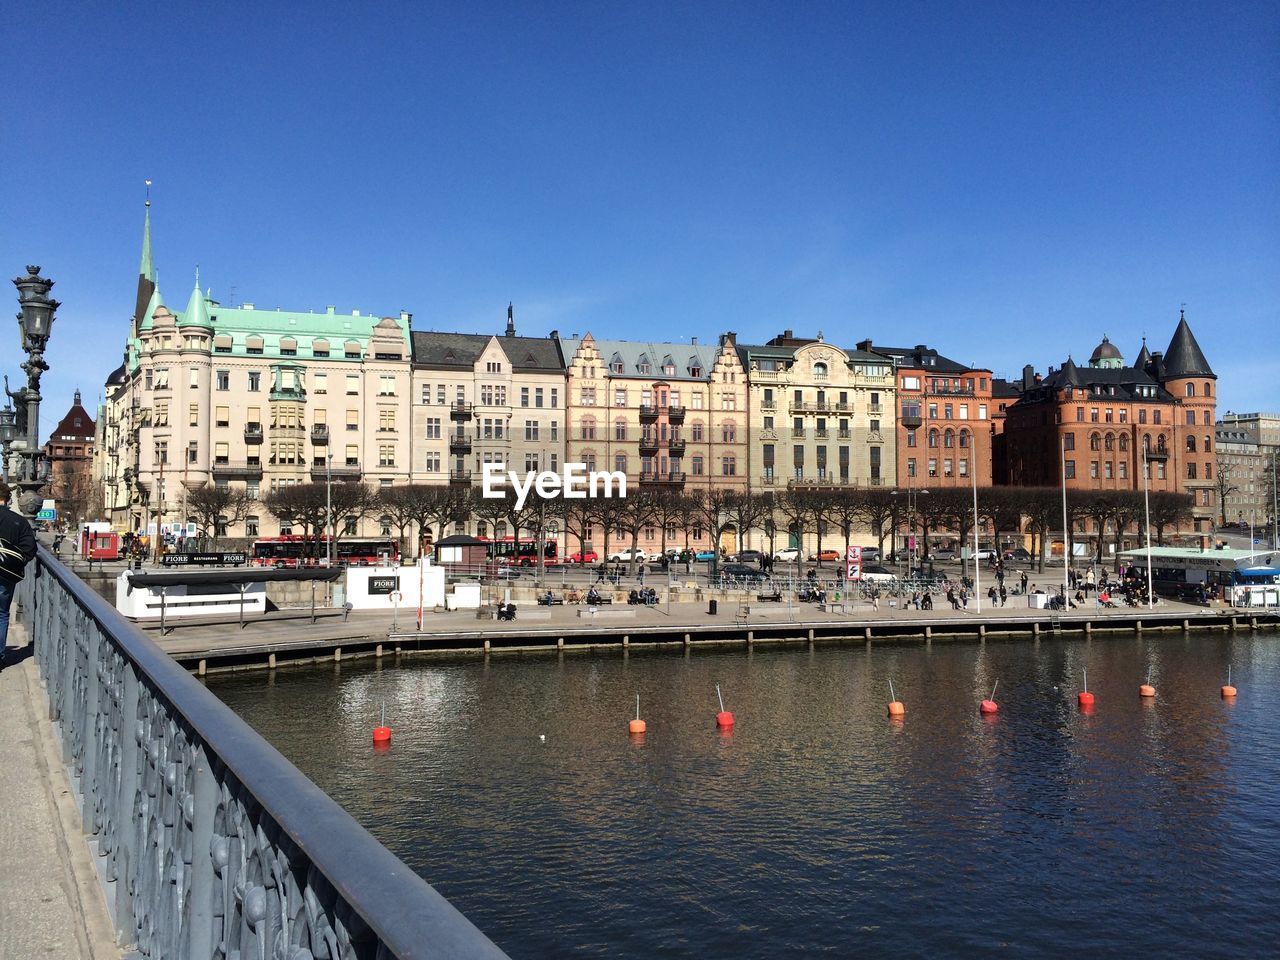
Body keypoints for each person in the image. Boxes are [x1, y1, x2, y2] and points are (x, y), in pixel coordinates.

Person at [0, 482, 38, 667]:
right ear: (8, 499)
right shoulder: (18, 521)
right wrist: (14, 562)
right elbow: (30, 549)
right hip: (6, 574)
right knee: (1, 614)